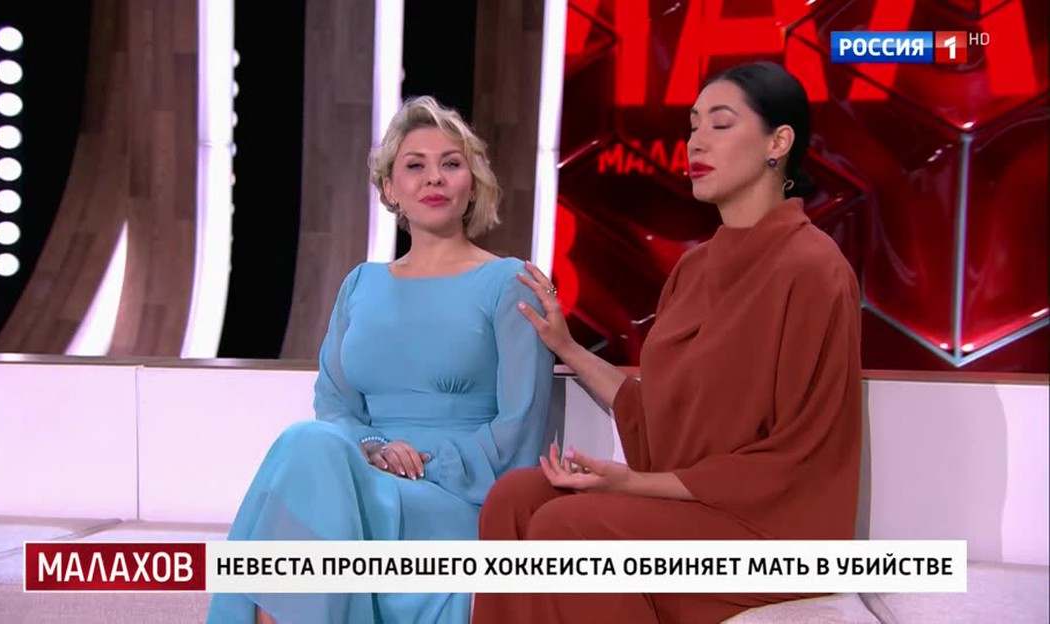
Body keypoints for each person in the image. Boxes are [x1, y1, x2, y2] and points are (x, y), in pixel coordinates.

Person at [471, 61, 863, 623]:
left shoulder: (815, 268)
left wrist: (634, 483)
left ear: (778, 143)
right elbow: (652, 409)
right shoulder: (693, 269)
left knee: (570, 528)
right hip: (690, 508)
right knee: (515, 499)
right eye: (693, 125)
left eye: (720, 124)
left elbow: (799, 455)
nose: (696, 141)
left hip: (772, 529)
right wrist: (568, 347)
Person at [206, 96, 555, 624]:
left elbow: (519, 431)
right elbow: (334, 404)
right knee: (309, 444)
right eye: (415, 165)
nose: (434, 177)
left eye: (451, 164)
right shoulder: (360, 285)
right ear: (391, 189)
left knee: (305, 478)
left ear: (472, 185)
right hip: (358, 474)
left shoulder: (510, 283)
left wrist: (420, 462)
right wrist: (371, 447)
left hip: (452, 498)